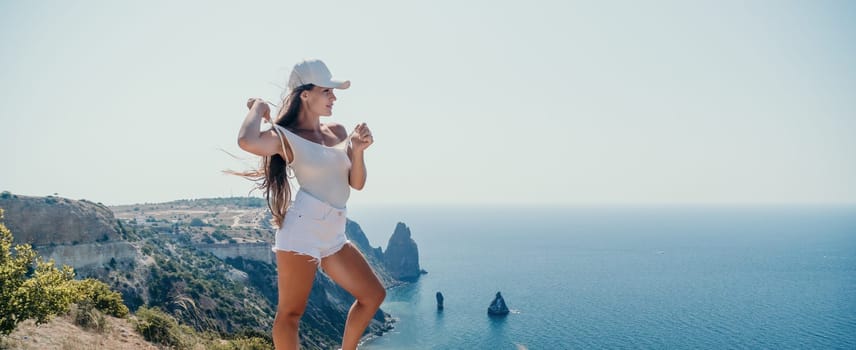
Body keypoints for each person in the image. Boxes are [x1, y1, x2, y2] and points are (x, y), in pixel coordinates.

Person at [234, 58, 385, 350]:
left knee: (373, 295)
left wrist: (357, 148)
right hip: (302, 231)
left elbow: (357, 183)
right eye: (327, 90)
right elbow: (246, 140)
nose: (334, 96)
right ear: (305, 94)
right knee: (290, 314)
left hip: (334, 234)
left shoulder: (339, 131)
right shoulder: (286, 138)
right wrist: (259, 107)